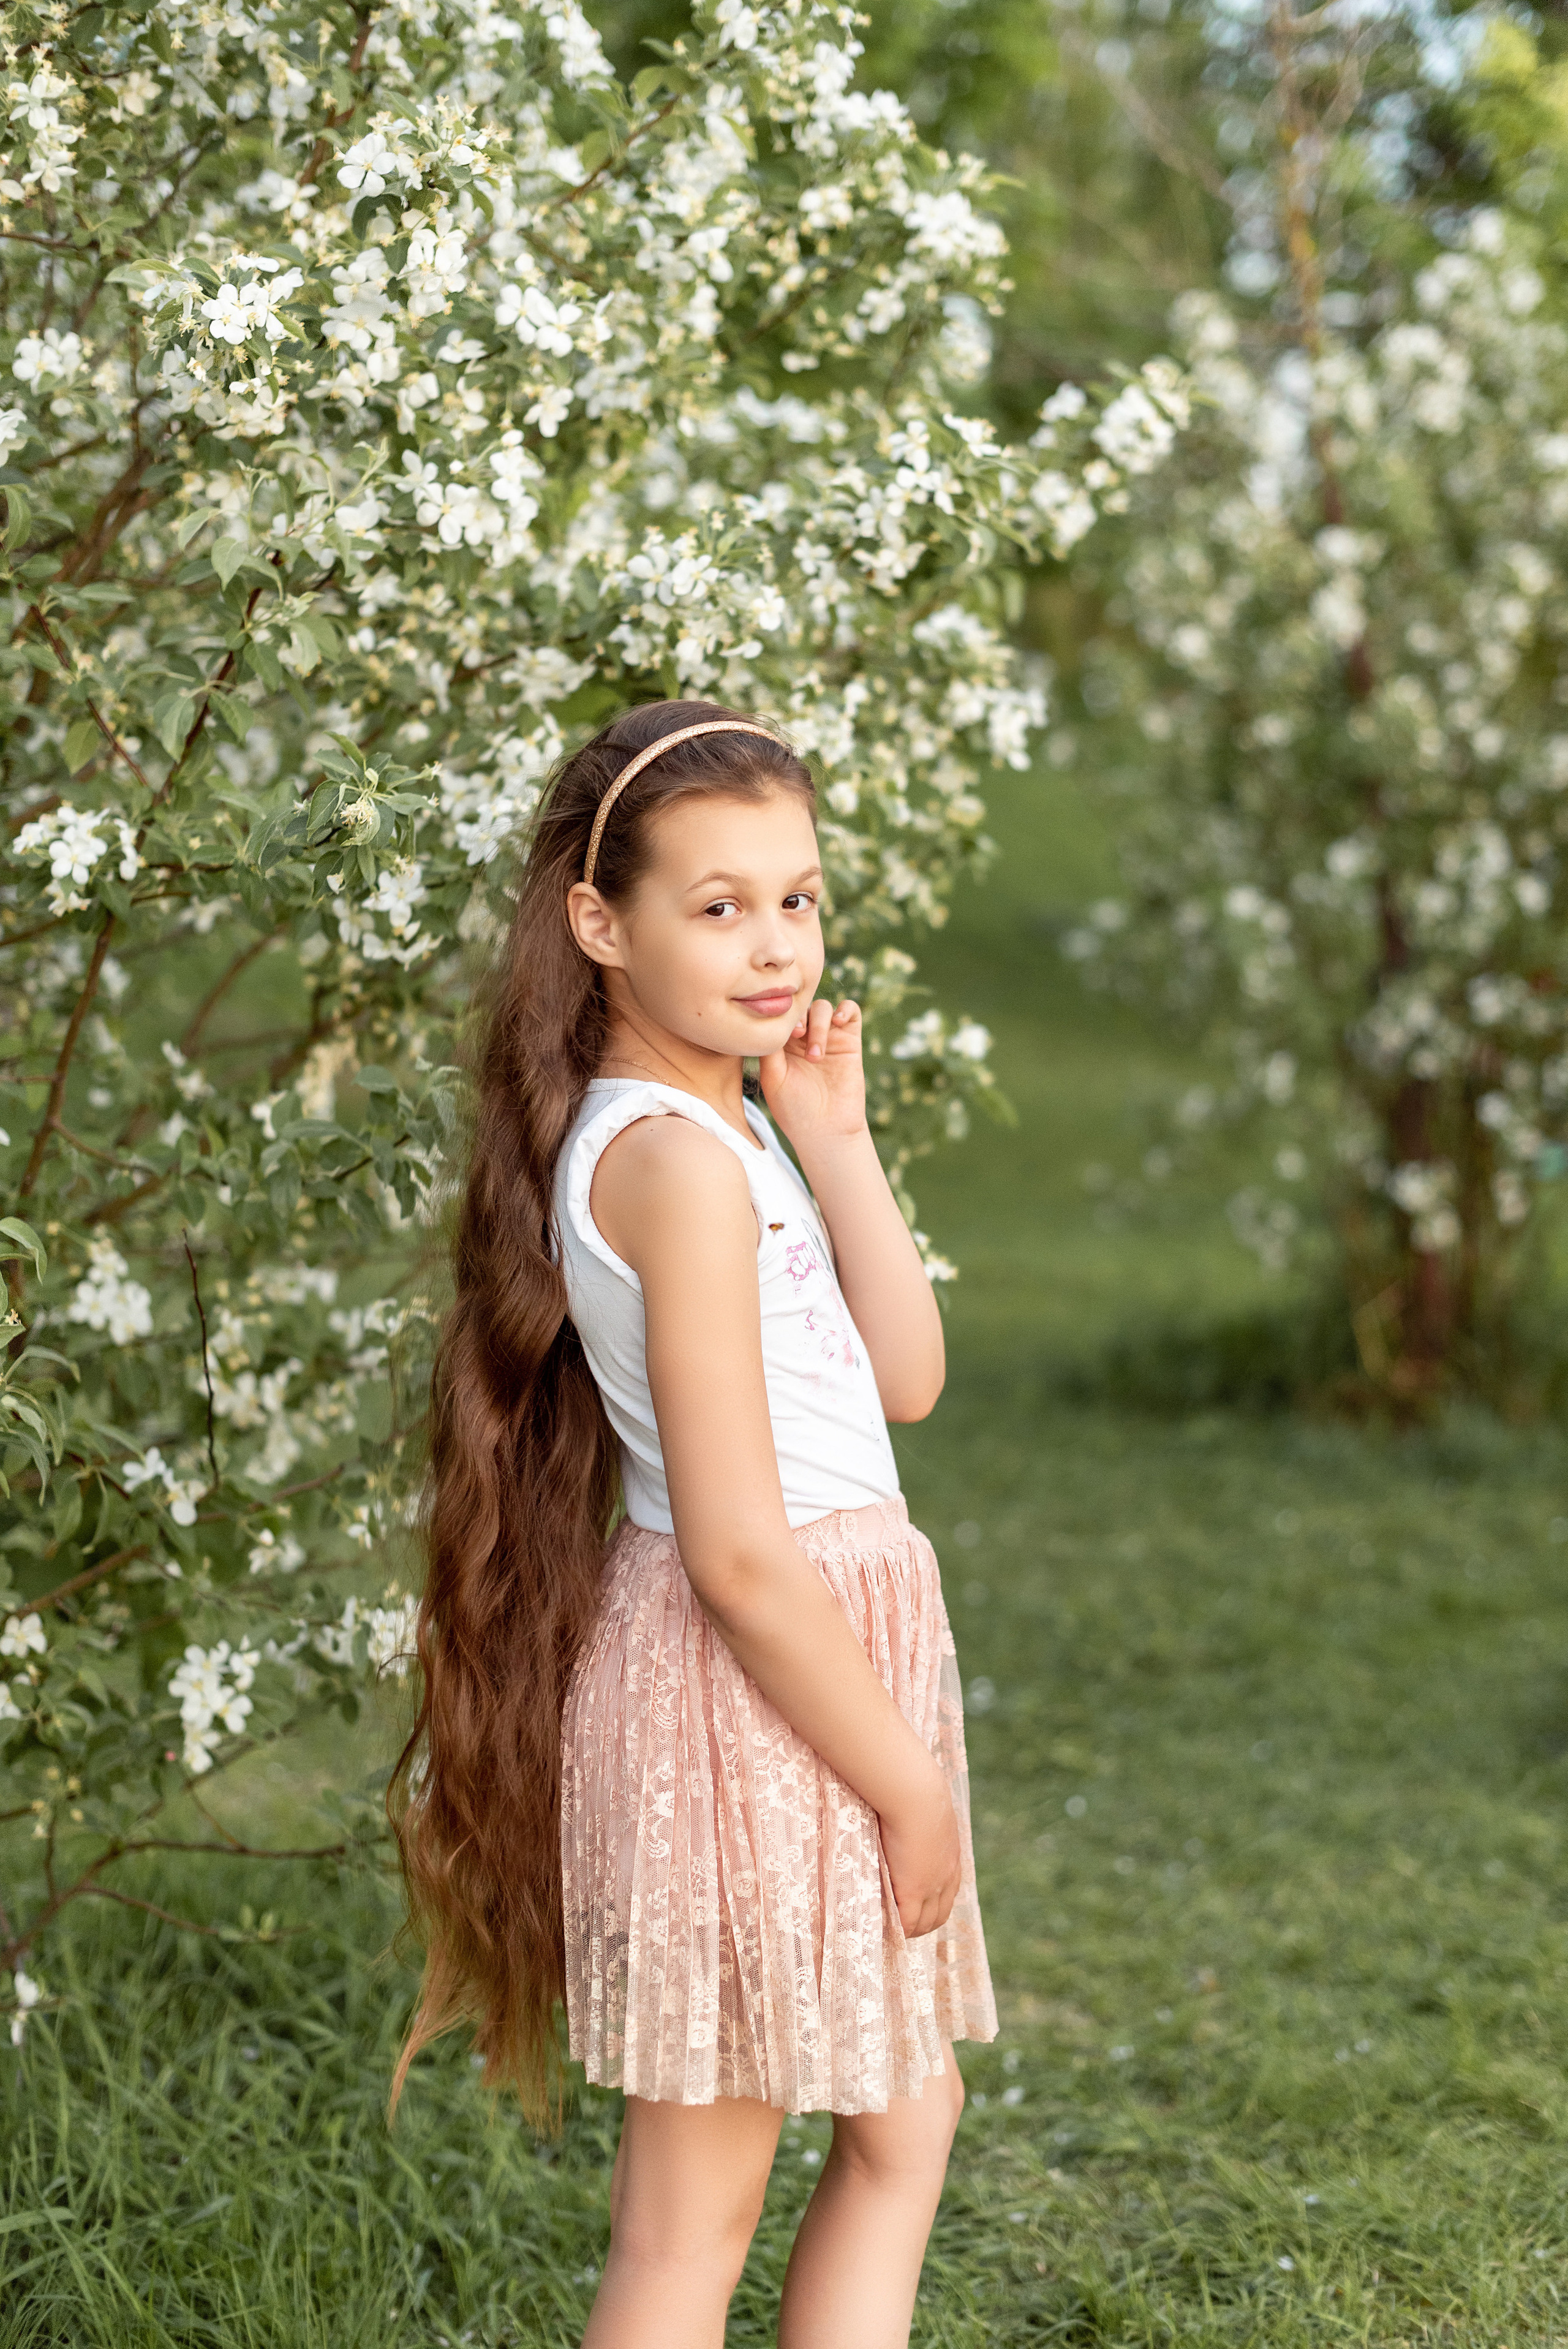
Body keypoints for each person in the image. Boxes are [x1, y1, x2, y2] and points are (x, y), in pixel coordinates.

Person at [391, 698, 997, 2348]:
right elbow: (736, 1549)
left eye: (796, 897)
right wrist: (908, 1780)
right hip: (759, 1691)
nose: (774, 942)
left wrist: (836, 1134)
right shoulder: (669, 1164)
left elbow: (911, 1376)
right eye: (716, 905)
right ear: (603, 924)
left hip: (805, 1659)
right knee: (690, 2222)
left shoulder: (726, 1133)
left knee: (901, 2114)